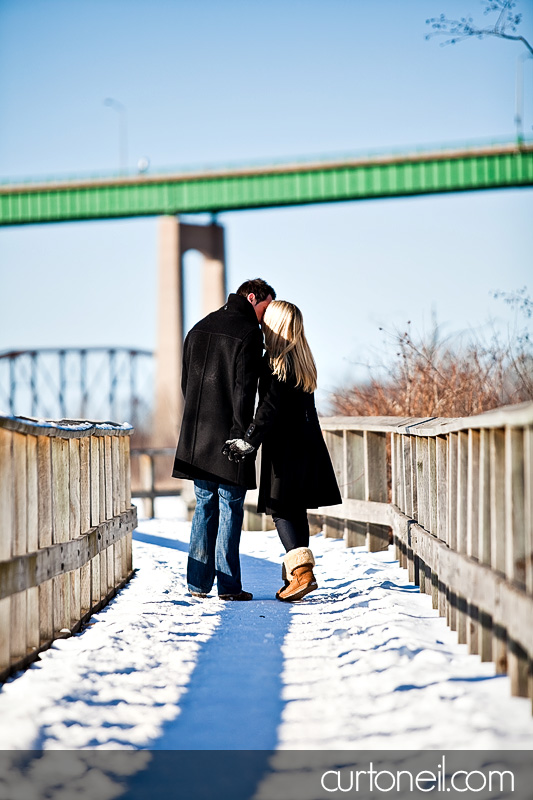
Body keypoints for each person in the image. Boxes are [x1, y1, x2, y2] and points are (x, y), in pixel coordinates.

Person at [224, 300, 342, 601]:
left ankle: (302, 574)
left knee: (281, 509)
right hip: (308, 446)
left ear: (274, 326)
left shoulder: (273, 363)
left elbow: (269, 409)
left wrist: (248, 440)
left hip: (285, 450)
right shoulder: (304, 361)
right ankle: (298, 574)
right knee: (295, 509)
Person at [172, 278, 276, 600]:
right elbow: (243, 393)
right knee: (230, 507)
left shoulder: (198, 328)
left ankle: (197, 584)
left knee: (204, 505)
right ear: (251, 297)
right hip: (230, 437)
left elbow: (186, 385)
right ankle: (229, 588)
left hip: (197, 438)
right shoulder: (248, 334)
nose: (266, 316)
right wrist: (241, 438)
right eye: (266, 307)